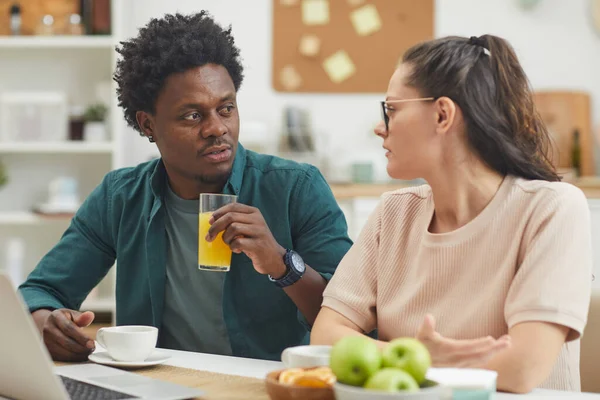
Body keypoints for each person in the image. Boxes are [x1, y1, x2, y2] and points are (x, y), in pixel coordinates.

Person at [19, 12, 352, 362]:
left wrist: (281, 263)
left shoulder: (296, 188)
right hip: (160, 386)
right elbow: (40, 291)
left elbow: (351, 319)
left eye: (226, 108)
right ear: (148, 124)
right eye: (193, 116)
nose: (216, 128)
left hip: (265, 386)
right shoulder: (120, 197)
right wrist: (47, 323)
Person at [310, 34, 592, 393]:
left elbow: (523, 369)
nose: (380, 127)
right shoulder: (393, 213)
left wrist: (420, 360)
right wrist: (419, 356)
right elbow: (327, 334)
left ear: (442, 114)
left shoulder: (552, 208)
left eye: (392, 109)